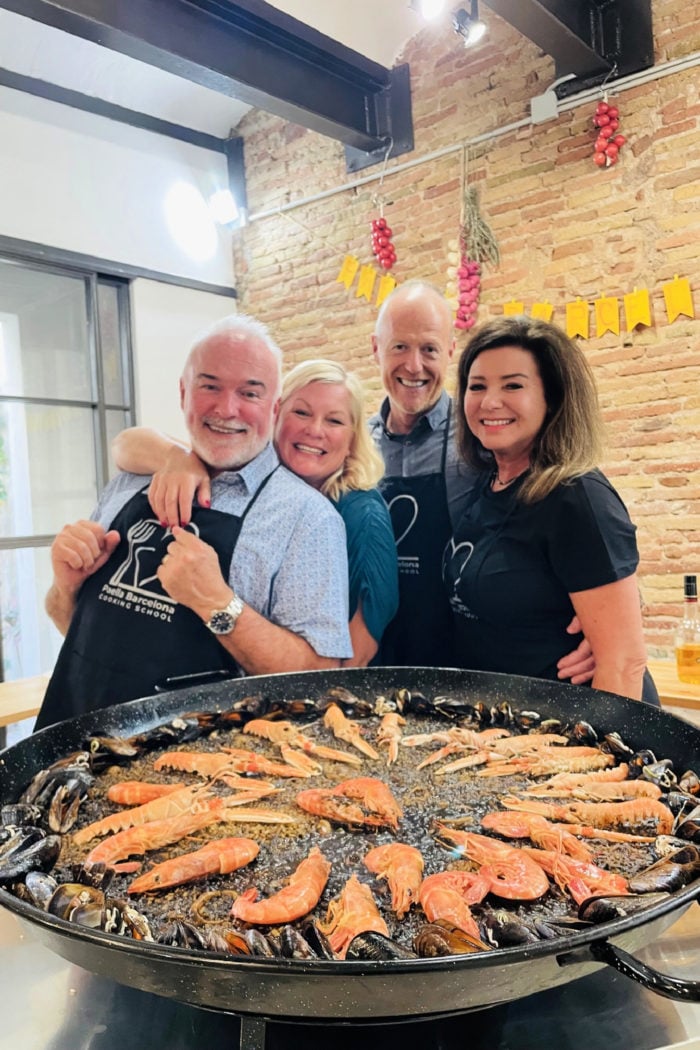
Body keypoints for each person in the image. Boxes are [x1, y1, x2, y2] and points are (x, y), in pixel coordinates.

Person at [35, 316, 352, 731]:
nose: (226, 408)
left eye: (249, 392)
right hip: (71, 743)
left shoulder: (307, 519)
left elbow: (320, 680)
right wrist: (66, 584)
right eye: (210, 386)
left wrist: (218, 604)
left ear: (273, 408)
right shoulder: (131, 481)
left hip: (198, 779)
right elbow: (71, 626)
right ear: (184, 392)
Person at [368, 280, 596, 684]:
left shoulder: (481, 433)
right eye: (399, 347)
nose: (414, 365)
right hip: (373, 651)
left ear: (451, 352)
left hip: (461, 657)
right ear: (376, 349)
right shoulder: (355, 442)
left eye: (429, 349)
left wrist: (602, 623)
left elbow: (578, 516)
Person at [113, 360, 399, 667]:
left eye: (334, 421)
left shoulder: (361, 517)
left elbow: (348, 667)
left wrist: (217, 603)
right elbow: (124, 444)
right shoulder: (238, 474)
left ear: (353, 438)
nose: (315, 430)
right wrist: (177, 458)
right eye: (301, 412)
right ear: (275, 414)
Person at [442, 314, 649, 700]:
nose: (490, 401)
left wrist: (596, 756)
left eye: (513, 385)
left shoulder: (577, 495)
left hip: (573, 731)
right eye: (477, 386)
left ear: (551, 398)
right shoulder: (485, 484)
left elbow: (623, 663)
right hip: (510, 726)